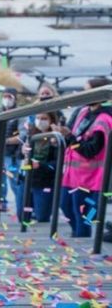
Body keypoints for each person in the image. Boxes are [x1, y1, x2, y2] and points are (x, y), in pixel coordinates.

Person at [55, 77, 112, 237]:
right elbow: (71, 135)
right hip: (72, 174)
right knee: (65, 207)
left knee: (85, 216)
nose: (83, 94)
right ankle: (77, 235)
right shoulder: (82, 111)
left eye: (87, 91)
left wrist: (71, 137)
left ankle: (83, 241)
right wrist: (62, 134)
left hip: (92, 178)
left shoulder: (105, 120)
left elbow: (90, 150)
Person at [20, 111, 59, 222]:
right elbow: (19, 154)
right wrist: (23, 151)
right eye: (38, 118)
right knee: (21, 215)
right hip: (26, 178)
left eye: (44, 118)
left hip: (45, 181)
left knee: (42, 216)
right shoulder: (30, 134)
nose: (40, 121)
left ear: (51, 121)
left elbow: (58, 163)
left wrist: (40, 165)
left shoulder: (56, 137)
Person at [1, 87, 26, 212]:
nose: (6, 99)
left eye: (9, 97)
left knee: (14, 182)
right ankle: (1, 203)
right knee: (0, 180)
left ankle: (21, 206)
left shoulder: (19, 114)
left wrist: (6, 141)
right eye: (4, 96)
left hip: (12, 153)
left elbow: (22, 135)